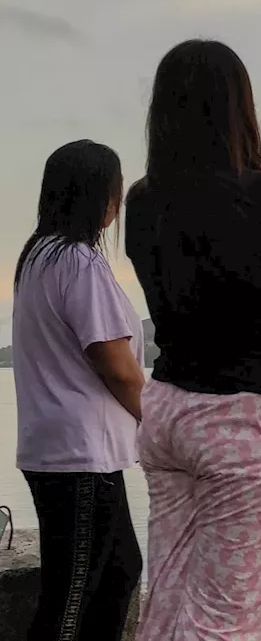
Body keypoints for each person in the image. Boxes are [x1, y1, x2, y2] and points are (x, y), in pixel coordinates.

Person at [124, 39, 261, 640]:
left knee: (167, 601)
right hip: (249, 423)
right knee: (229, 620)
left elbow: (202, 253)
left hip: (169, 411)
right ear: (238, 108)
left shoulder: (142, 200)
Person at [11, 139, 145, 640]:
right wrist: (162, 424)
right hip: (78, 454)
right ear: (96, 194)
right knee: (71, 600)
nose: (120, 199)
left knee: (119, 572)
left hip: (71, 450)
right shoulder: (79, 262)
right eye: (116, 189)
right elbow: (118, 366)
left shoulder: (40, 257)